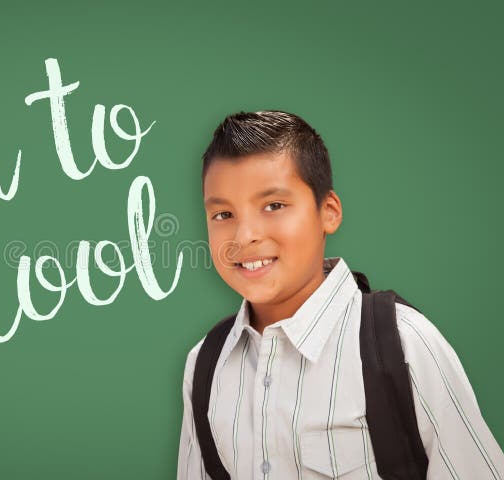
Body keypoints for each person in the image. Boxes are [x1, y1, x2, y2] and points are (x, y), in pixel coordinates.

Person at [177, 111, 504, 479]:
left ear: (328, 212)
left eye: (274, 206)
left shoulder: (405, 344)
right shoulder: (205, 364)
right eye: (223, 214)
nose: (244, 236)